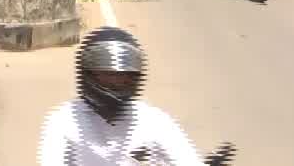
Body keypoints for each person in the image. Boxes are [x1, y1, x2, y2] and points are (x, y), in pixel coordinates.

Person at [37, 27, 205, 166]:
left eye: (125, 75)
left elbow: (187, 158)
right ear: (89, 73)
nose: (117, 81)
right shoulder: (62, 121)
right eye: (108, 74)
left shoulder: (154, 121)